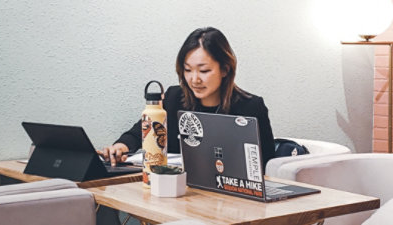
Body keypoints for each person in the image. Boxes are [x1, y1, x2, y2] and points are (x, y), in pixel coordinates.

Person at [97, 27, 275, 171]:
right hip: (178, 193)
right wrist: (120, 146)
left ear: (225, 70)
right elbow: (139, 133)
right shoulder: (174, 98)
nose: (194, 79)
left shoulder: (251, 107)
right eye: (187, 70)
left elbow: (267, 166)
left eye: (204, 71)